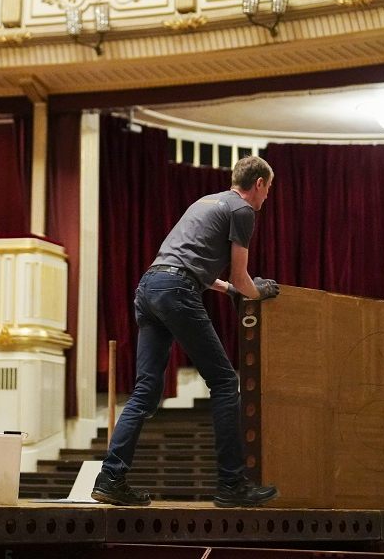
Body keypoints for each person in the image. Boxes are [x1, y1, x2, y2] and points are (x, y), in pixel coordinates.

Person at [93, 155, 281, 509]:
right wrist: (258, 292)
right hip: (176, 290)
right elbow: (243, 278)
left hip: (149, 286)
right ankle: (231, 485)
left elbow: (191, 264)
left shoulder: (205, 202)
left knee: (145, 392)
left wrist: (230, 291)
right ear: (258, 184)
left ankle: (110, 479)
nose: (267, 197)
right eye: (268, 189)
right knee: (225, 383)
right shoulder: (242, 211)